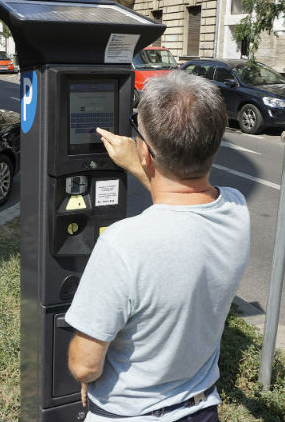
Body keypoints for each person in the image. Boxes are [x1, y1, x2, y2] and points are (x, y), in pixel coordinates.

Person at [66, 71, 250, 422]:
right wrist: (140, 162)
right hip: (202, 407)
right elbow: (183, 202)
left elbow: (84, 365)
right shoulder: (237, 211)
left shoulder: (123, 244)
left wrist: (142, 162)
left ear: (147, 154)